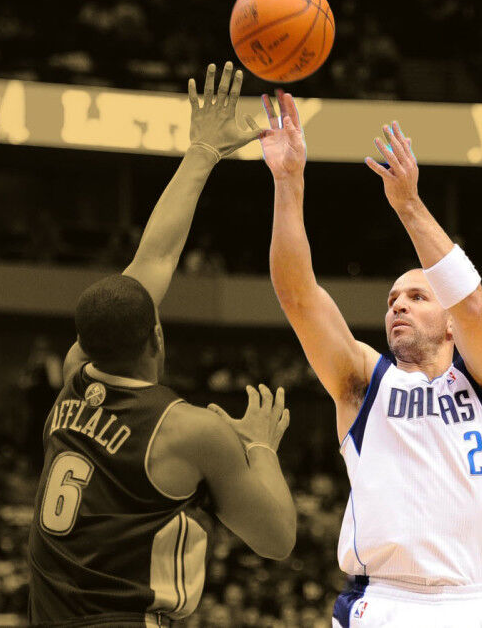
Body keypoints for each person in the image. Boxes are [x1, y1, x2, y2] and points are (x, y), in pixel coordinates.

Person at [28, 63, 297, 627]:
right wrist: (260, 444)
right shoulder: (188, 429)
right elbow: (277, 538)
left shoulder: (77, 372)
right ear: (155, 334)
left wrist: (203, 150)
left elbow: (153, 260)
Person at [260, 91, 482, 627]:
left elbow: (472, 302)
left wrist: (408, 204)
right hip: (385, 604)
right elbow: (298, 297)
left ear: (448, 322)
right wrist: (288, 183)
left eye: (418, 296)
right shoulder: (362, 381)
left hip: (475, 605)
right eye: (392, 300)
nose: (398, 303)